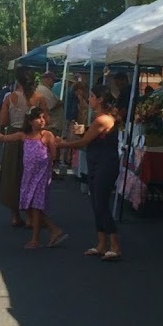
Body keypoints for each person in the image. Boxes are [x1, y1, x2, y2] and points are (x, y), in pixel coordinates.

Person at [0, 107, 67, 249]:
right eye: (39, 118)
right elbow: (3, 138)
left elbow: (53, 155)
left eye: (44, 118)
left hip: (41, 176)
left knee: (36, 206)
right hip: (28, 176)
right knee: (27, 205)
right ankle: (54, 230)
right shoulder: (23, 136)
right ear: (31, 121)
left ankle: (35, 239)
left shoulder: (47, 135)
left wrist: (49, 168)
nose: (42, 121)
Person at [56, 85, 122, 261]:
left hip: (105, 165)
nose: (89, 98)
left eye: (92, 96)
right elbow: (89, 135)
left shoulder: (103, 119)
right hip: (96, 163)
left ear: (100, 100)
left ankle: (115, 245)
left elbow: (84, 141)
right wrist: (80, 131)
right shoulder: (97, 118)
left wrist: (61, 144)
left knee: (101, 203)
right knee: (95, 203)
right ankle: (101, 244)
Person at [0, 69, 48, 226]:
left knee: (13, 175)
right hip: (33, 138)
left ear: (17, 81)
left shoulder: (10, 98)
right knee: (32, 176)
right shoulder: (39, 98)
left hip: (14, 138)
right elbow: (47, 119)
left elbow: (3, 121)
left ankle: (15, 214)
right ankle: (30, 216)